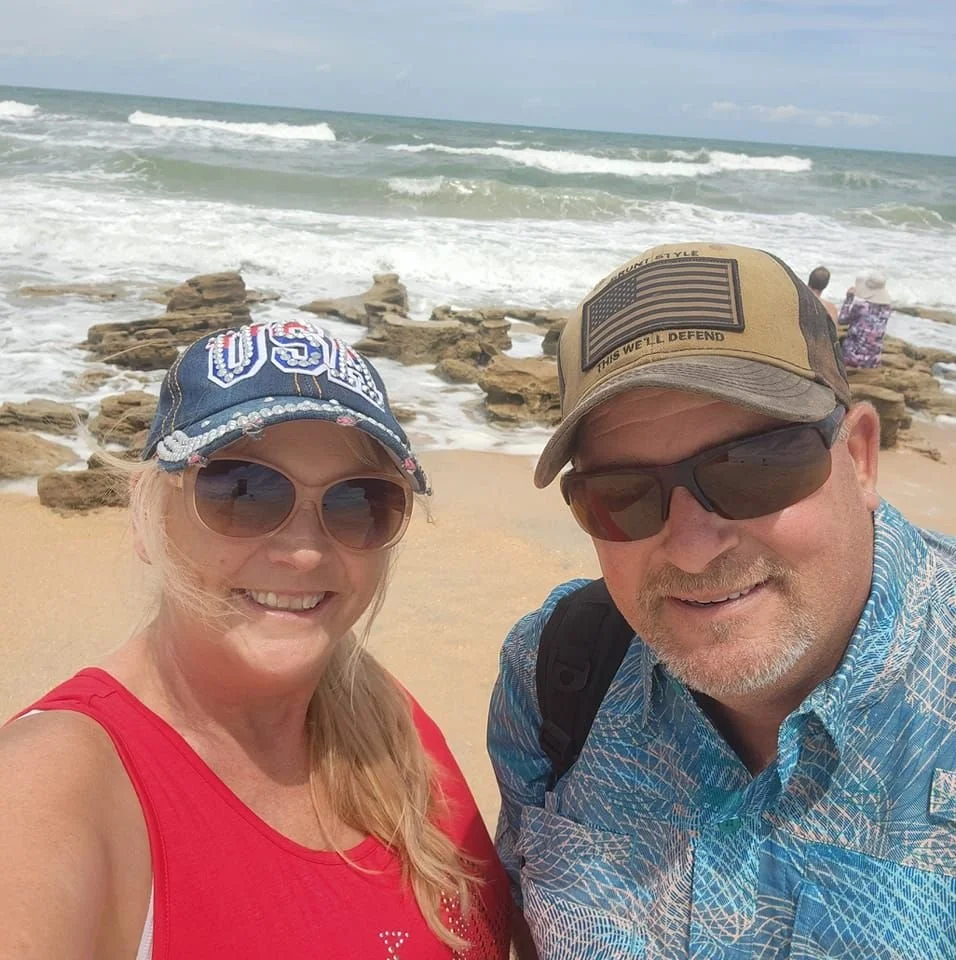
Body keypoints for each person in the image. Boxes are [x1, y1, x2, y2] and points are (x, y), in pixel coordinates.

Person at [488, 243, 955, 959]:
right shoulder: (551, 671)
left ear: (860, 457)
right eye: (622, 494)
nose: (692, 547)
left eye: (755, 468)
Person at [0, 318, 511, 959]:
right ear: (146, 510)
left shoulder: (390, 722)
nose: (304, 552)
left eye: (358, 501)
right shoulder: (53, 784)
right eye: (243, 490)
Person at [838, 271, 893, 368]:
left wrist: (849, 298)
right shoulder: (887, 309)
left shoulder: (861, 306)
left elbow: (842, 320)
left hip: (853, 357)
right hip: (873, 359)